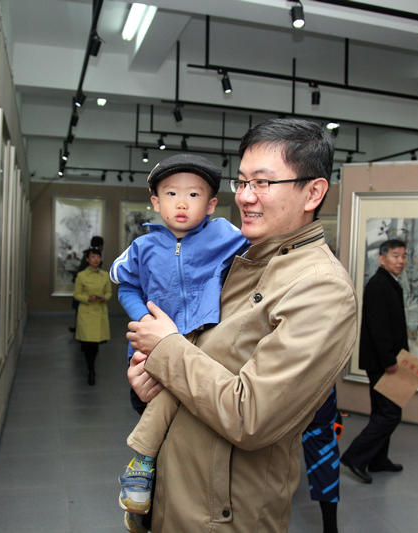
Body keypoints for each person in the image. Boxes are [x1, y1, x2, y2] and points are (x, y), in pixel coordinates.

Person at [126, 118, 358, 532]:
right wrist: (151, 381)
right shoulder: (241, 261)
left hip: (222, 514)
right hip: (179, 493)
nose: (246, 197)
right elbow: (202, 363)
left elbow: (251, 415)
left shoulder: (322, 289)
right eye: (242, 181)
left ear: (314, 192)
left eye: (263, 183)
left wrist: (166, 349)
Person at [109, 154, 248, 531]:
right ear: (155, 202)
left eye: (194, 194)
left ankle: (141, 465)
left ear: (212, 204)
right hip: (151, 340)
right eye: (171, 193)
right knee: (156, 397)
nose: (182, 203)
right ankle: (149, 488)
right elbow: (126, 285)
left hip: (201, 341)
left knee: (178, 404)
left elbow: (257, 258)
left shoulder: (226, 236)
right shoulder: (143, 247)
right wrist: (145, 320)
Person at [340, 239, 408, 484]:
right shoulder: (379, 284)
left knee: (382, 411)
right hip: (383, 362)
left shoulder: (388, 282)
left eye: (403, 256)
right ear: (382, 259)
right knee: (389, 414)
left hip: (386, 359)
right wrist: (389, 358)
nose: (400, 261)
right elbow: (378, 326)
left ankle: (379, 460)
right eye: (395, 256)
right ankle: (354, 457)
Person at [302, 387, 341, 533]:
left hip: (274, 382)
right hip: (319, 383)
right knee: (323, 448)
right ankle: (331, 528)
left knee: (271, 448)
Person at [73, 247, 111, 385]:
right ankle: (90, 369)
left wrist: (104, 297)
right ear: (88, 259)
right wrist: (87, 298)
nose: (96, 260)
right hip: (86, 313)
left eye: (98, 257)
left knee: (95, 345)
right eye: (93, 257)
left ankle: (92, 366)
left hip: (100, 311)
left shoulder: (105, 275)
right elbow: (76, 294)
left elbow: (109, 292)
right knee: (88, 344)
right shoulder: (81, 276)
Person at [70, 236, 104, 333]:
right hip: (87, 288)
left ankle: (79, 329)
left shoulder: (87, 254)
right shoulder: (91, 255)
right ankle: (81, 329)